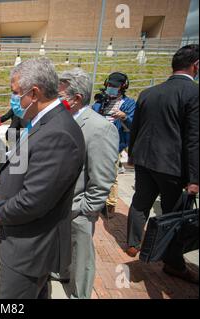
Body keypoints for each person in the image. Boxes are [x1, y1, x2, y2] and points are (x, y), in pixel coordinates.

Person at [0, 58, 85, 299]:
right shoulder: (45, 122)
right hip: (28, 244)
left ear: (34, 93)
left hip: (29, 250)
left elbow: (34, 200)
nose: (13, 100)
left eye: (15, 93)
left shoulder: (58, 133)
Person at [126, 44, 199, 284]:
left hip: (145, 161)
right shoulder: (193, 94)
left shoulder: (149, 92)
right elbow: (193, 140)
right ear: (195, 65)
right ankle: (174, 264)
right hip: (172, 167)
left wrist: (133, 156)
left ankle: (133, 245)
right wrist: (194, 178)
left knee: (140, 203)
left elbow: (135, 127)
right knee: (175, 217)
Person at [58, 68, 119, 298]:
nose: (57, 98)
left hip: (79, 209)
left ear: (77, 98)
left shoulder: (99, 128)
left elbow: (103, 177)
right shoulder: (65, 119)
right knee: (65, 248)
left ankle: (80, 294)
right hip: (61, 206)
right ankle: (63, 273)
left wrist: (87, 210)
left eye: (61, 94)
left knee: (82, 256)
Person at [92, 72, 136, 217]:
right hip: (97, 141)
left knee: (111, 175)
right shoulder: (101, 101)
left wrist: (124, 117)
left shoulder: (128, 104)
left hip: (114, 143)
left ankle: (110, 204)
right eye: (110, 85)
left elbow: (134, 125)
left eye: (115, 86)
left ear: (122, 87)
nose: (111, 88)